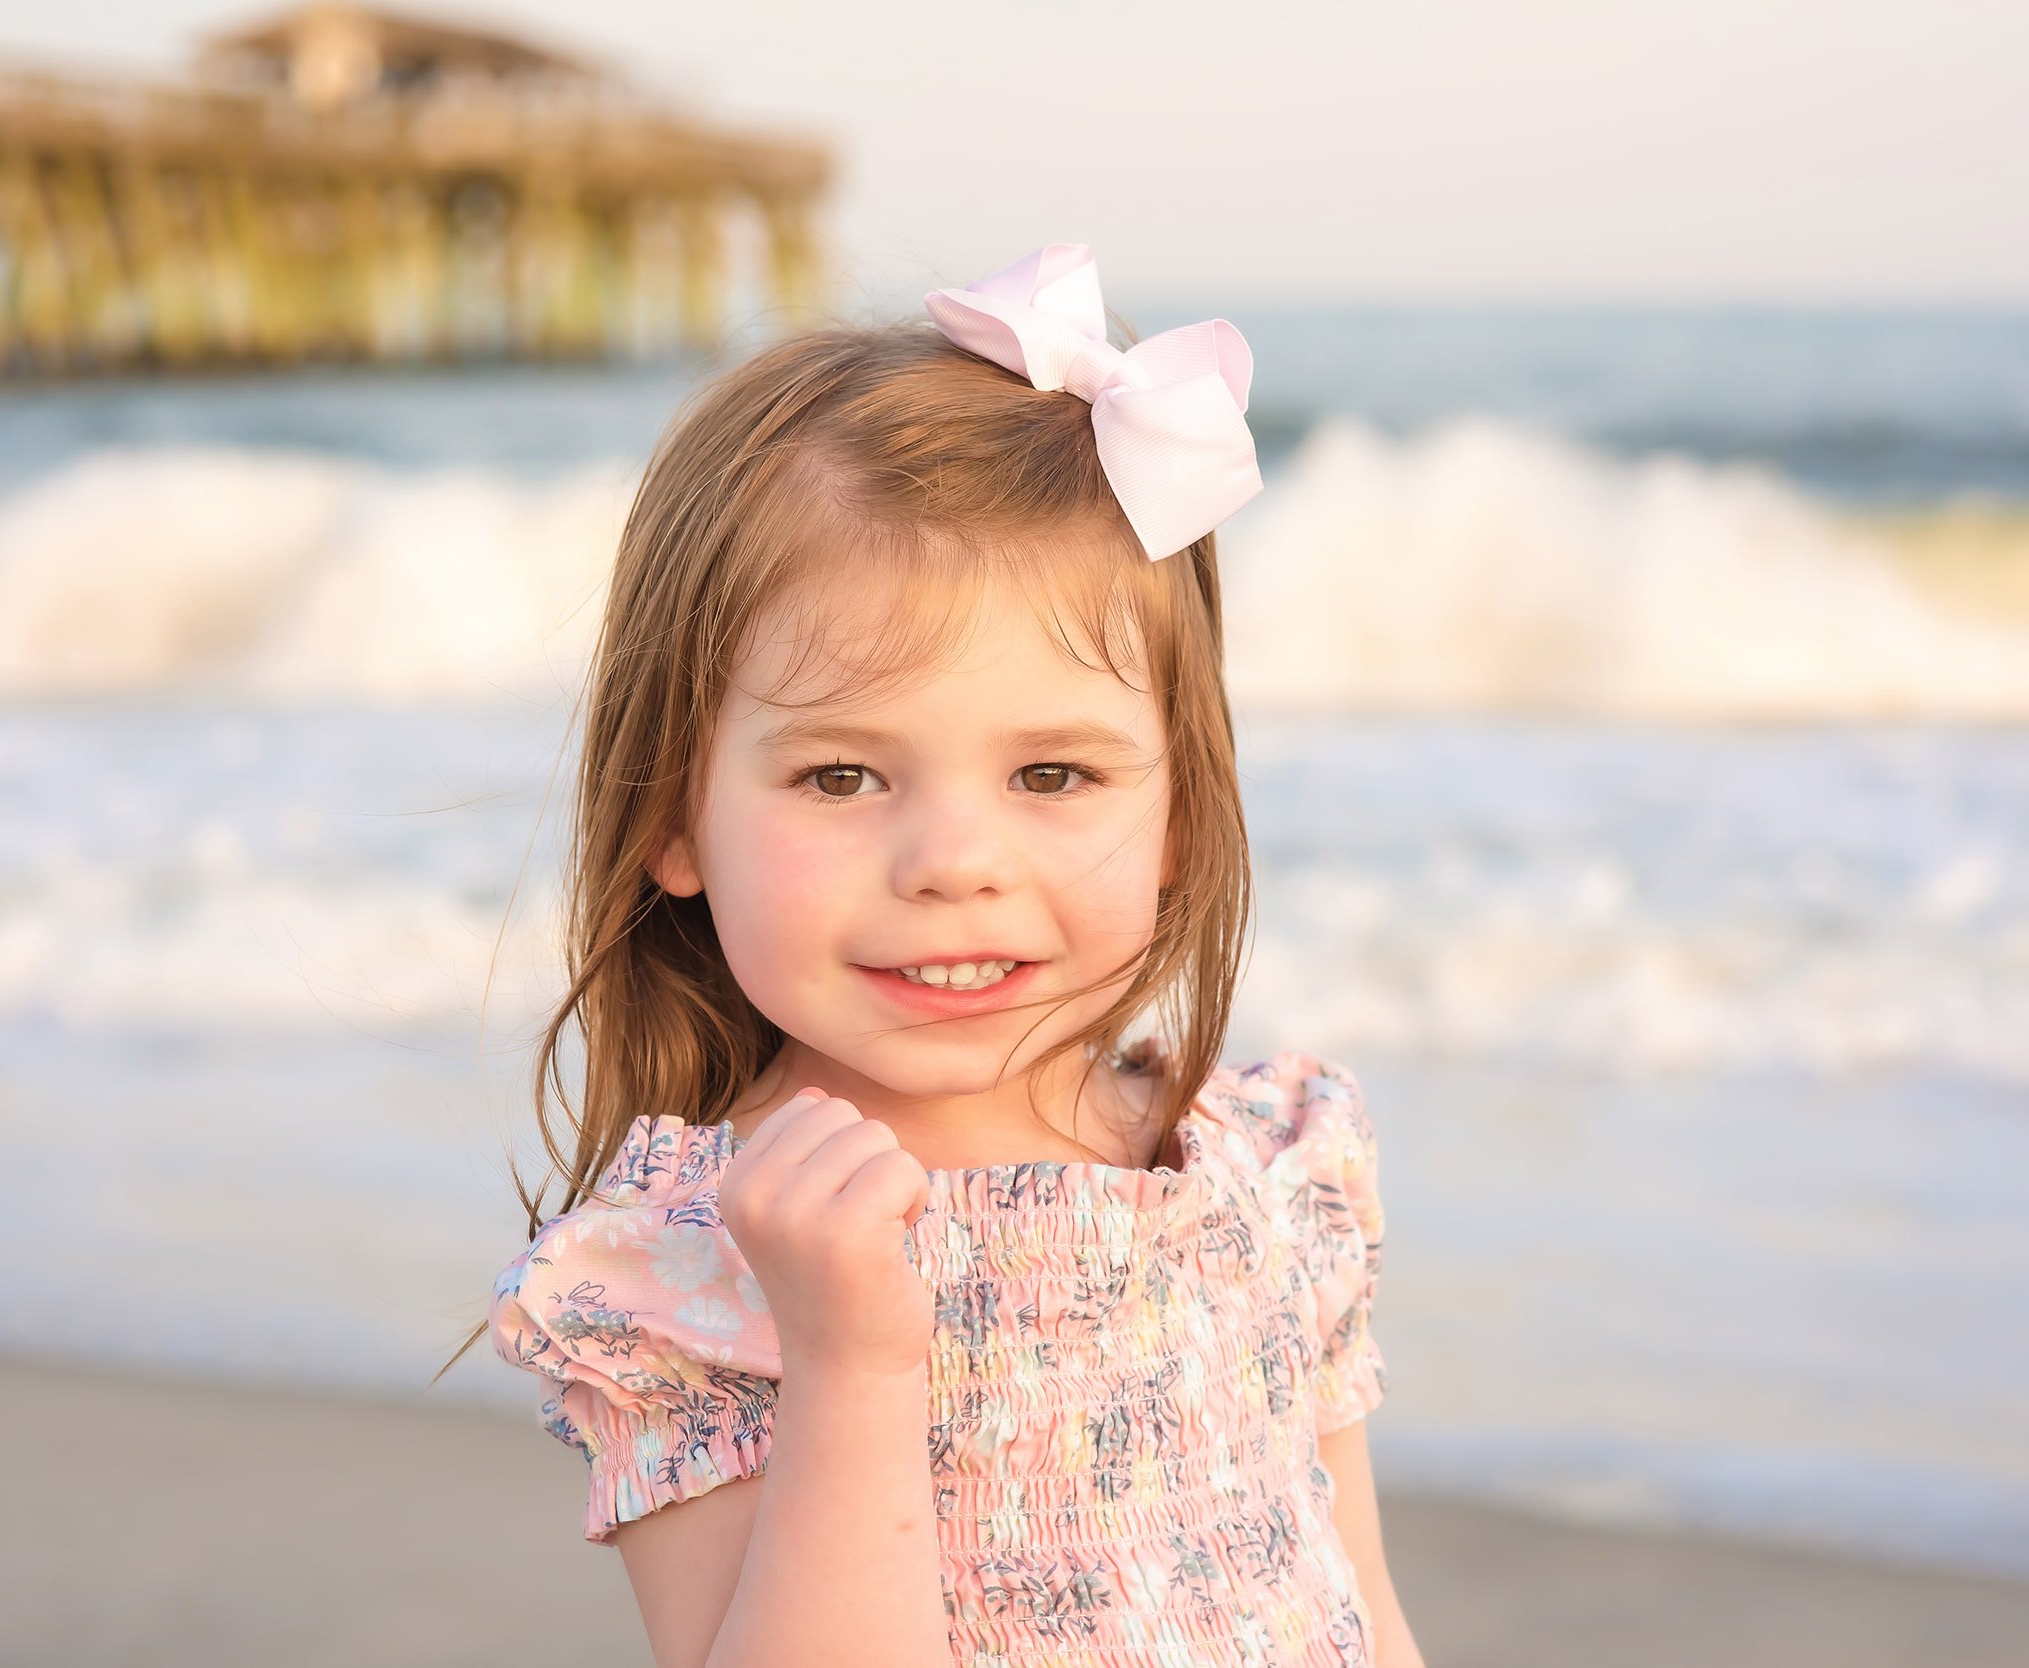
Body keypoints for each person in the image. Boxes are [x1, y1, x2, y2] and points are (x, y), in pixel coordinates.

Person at [477, 245, 1424, 1667]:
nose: (954, 863)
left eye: (1053, 776)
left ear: (1181, 810)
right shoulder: (689, 1270)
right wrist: (854, 1362)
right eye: (845, 777)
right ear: (675, 813)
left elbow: (1366, 1617)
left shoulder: (1273, 1171)